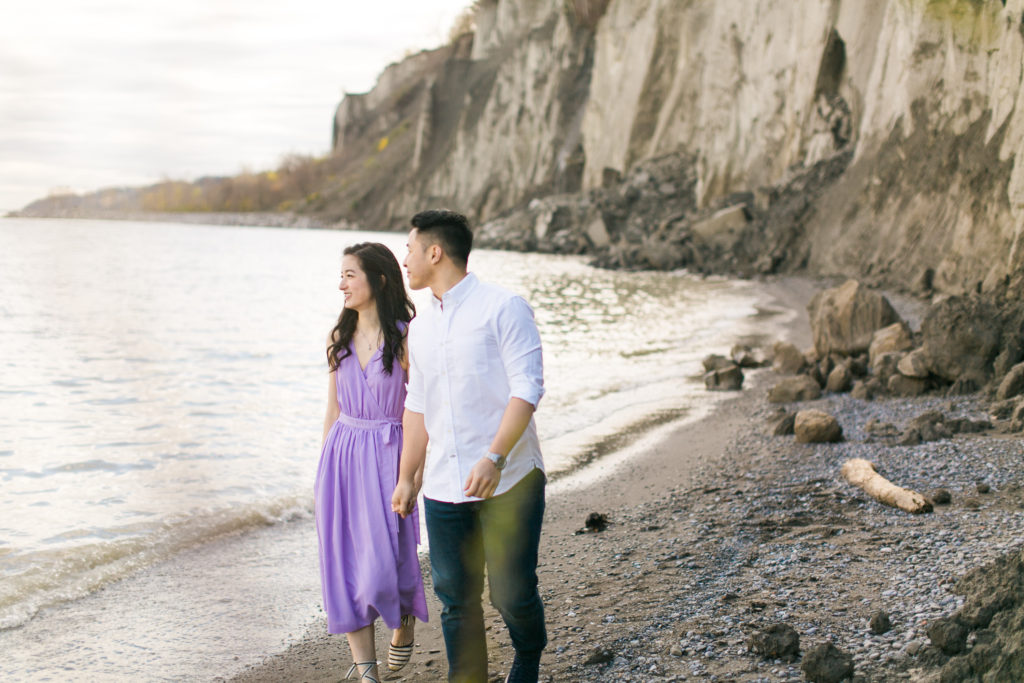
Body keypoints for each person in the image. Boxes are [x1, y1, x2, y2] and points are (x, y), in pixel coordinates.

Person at [392, 210, 547, 683]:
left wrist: (494, 457)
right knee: (455, 598)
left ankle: (528, 653)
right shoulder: (418, 329)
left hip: (511, 479)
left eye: (410, 249)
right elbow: (418, 404)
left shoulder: (504, 307)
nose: (405, 260)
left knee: (509, 592)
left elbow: (528, 389)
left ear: (434, 252)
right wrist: (407, 476)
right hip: (444, 484)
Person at [315, 242, 428, 683]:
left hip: (389, 455)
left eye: (350, 275)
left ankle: (405, 621)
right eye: (340, 275)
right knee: (344, 566)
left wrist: (413, 474)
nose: (341, 284)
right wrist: (323, 470)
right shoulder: (337, 338)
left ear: (378, 279)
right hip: (342, 455)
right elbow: (332, 408)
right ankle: (367, 674)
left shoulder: (405, 337)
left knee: (387, 564)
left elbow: (419, 410)